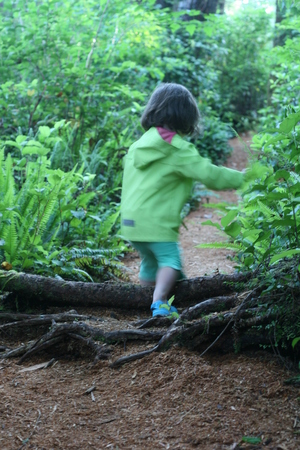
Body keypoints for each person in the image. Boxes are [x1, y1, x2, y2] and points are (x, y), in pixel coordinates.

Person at [120, 83, 244, 317]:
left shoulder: (138, 145)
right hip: (156, 223)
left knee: (149, 261)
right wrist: (243, 178)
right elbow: (211, 175)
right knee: (170, 260)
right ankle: (159, 302)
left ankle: (145, 300)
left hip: (130, 223)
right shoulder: (177, 149)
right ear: (187, 117)